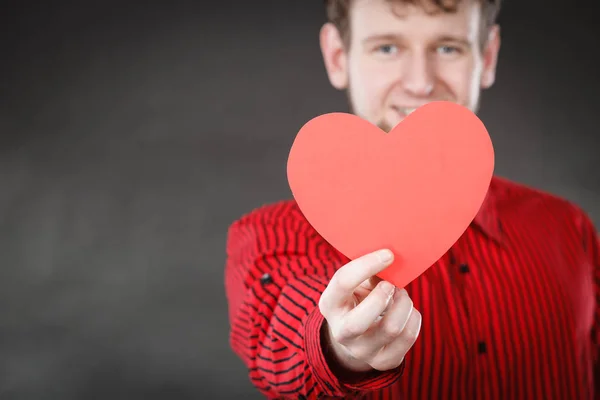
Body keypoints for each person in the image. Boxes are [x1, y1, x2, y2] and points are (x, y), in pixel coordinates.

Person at [224, 0, 599, 398]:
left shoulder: (567, 226)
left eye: (448, 48)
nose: (420, 83)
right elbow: (282, 351)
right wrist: (340, 348)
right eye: (387, 48)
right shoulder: (269, 236)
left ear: (487, 57)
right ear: (338, 57)